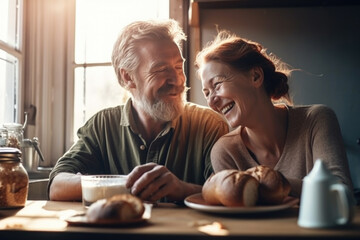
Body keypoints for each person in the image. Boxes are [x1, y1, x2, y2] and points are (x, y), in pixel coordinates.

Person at [48, 19, 229, 203]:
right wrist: (124, 184)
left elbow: (227, 194)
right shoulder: (102, 125)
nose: (177, 80)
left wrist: (181, 189)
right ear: (128, 77)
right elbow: (57, 185)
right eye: (161, 69)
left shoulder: (210, 126)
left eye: (178, 67)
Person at [195, 30, 353, 198]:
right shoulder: (225, 151)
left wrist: (267, 181)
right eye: (206, 93)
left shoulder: (316, 120)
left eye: (217, 84)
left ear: (255, 76)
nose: (212, 102)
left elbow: (341, 192)